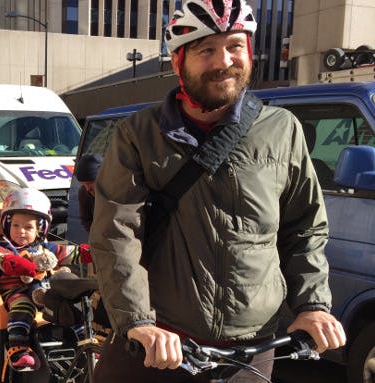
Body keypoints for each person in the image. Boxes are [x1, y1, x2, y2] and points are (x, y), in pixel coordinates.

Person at [89, 1, 346, 382]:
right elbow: (116, 234)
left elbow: (303, 229)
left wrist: (312, 304)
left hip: (250, 349)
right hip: (162, 345)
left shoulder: (282, 130)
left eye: (234, 47)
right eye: (206, 49)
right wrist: (138, 321)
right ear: (179, 62)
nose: (223, 61)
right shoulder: (138, 134)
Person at [0, 187, 92, 371]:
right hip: (17, 292)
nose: (21, 231)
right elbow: (5, 262)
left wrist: (90, 253)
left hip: (46, 293)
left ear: (41, 229)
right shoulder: (5, 247)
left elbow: (68, 253)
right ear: (7, 224)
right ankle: (18, 349)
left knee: (73, 304)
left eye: (28, 227)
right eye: (15, 225)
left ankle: (85, 342)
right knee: (23, 307)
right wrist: (29, 266)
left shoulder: (45, 247)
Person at [74, 153, 103, 233]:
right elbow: (86, 220)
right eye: (83, 184)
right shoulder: (83, 192)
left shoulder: (117, 192)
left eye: (89, 183)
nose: (87, 188)